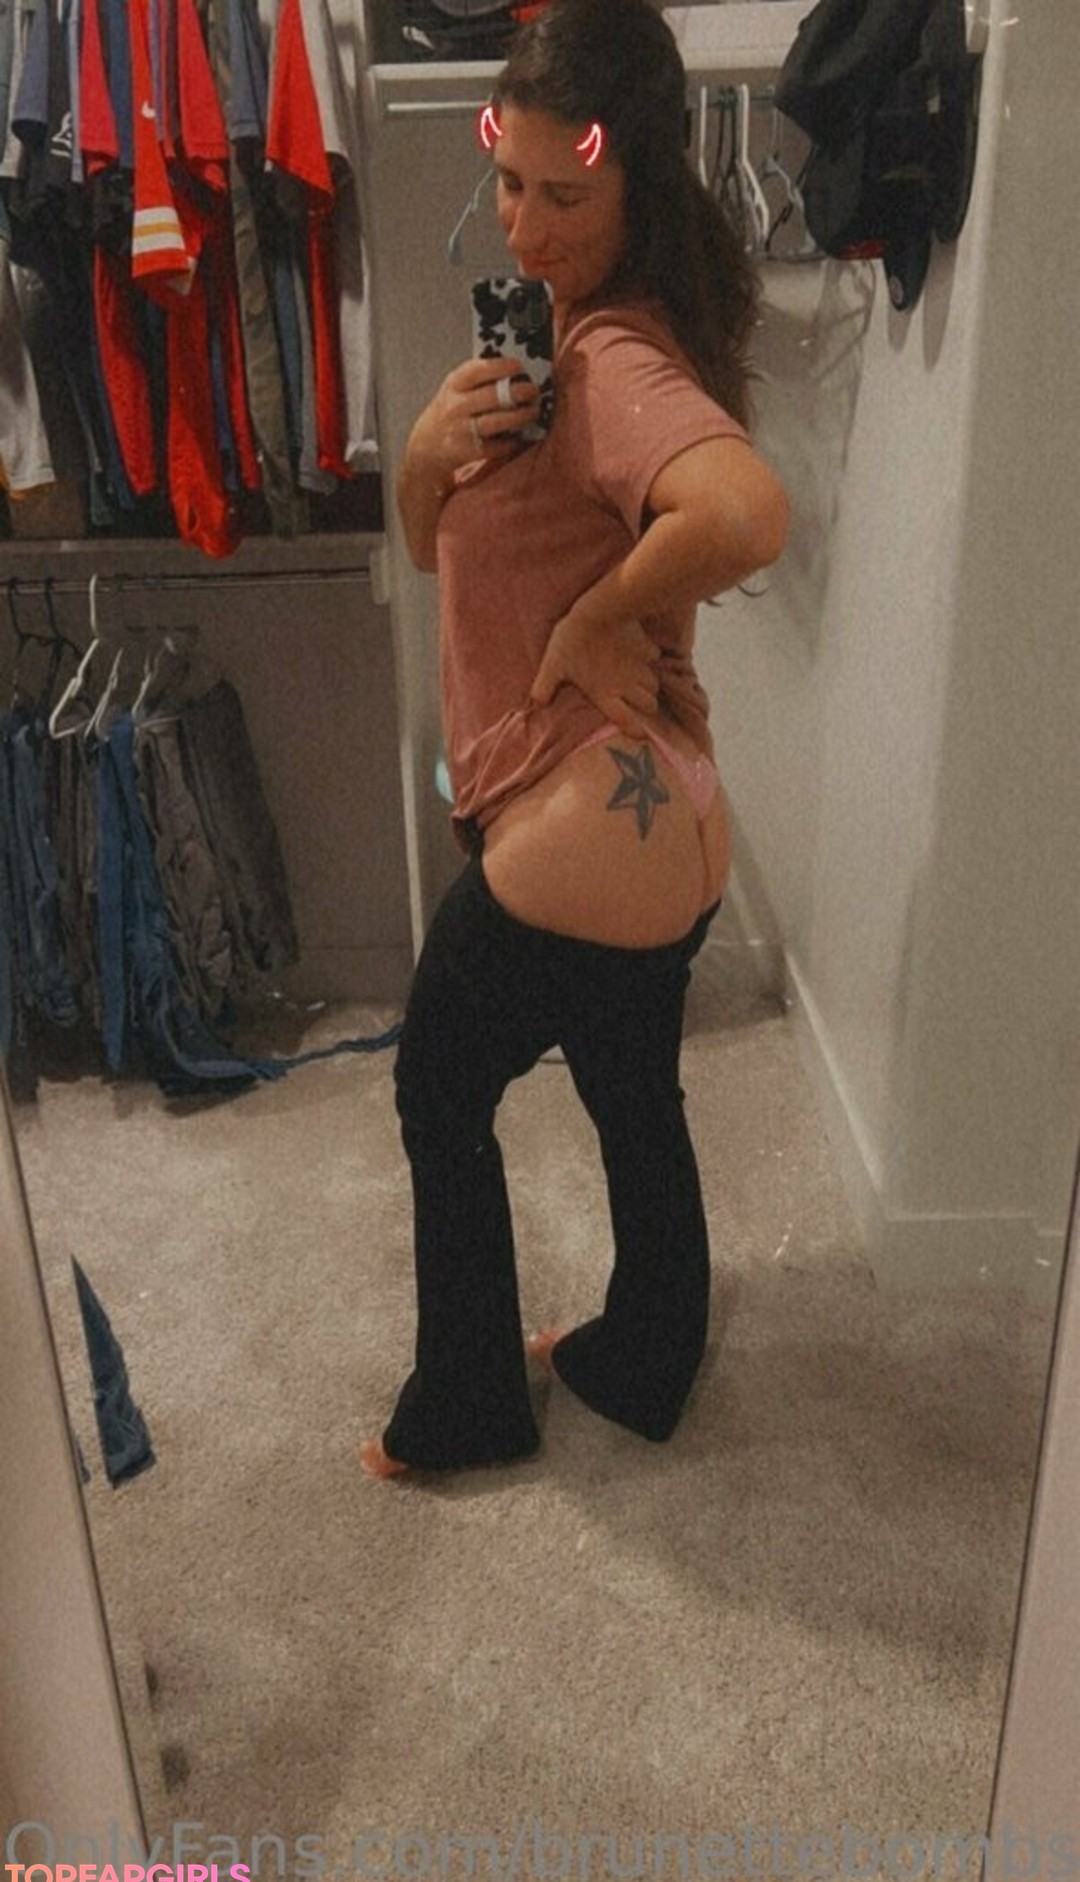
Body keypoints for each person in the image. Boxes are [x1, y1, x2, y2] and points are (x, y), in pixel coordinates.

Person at [360, 0, 790, 1478]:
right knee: (630, 1087)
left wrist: (599, 618)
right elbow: (441, 557)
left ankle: (469, 1406)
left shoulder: (608, 361)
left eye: (566, 196)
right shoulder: (571, 346)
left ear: (638, 188)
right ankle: (648, 1355)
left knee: (437, 1089)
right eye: (509, 182)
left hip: (585, 822)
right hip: (671, 824)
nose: (525, 227)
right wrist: (426, 460)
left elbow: (747, 512)